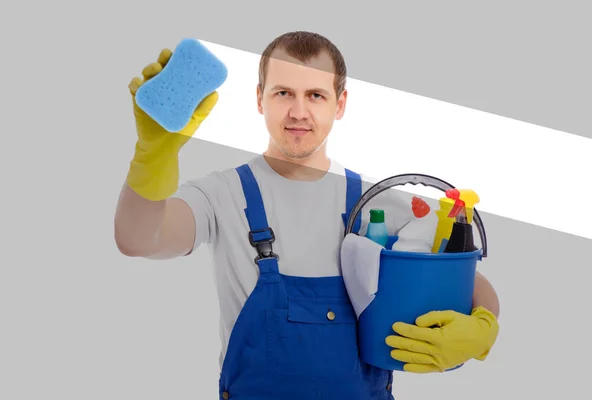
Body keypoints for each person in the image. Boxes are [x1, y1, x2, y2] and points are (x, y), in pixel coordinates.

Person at [114, 31, 500, 399]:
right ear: (260, 99)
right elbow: (139, 238)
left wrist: (484, 326)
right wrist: (154, 155)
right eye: (284, 93)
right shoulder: (221, 194)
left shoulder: (376, 202)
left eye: (315, 95)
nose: (299, 112)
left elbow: (466, 279)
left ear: (340, 103)